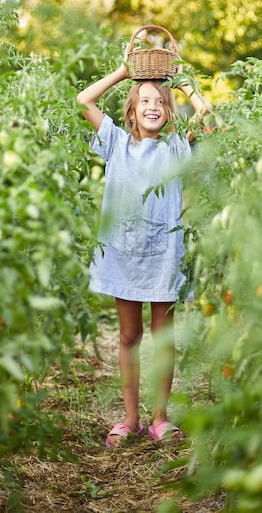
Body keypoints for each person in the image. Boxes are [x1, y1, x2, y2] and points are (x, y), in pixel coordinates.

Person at [77, 44, 211, 447]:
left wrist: (184, 83)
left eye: (160, 102)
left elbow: (205, 114)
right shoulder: (115, 143)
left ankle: (159, 418)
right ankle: (131, 419)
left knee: (162, 336)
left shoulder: (176, 147)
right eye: (144, 101)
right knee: (129, 336)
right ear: (131, 112)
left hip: (164, 257)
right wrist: (123, 72)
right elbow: (84, 100)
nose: (152, 106)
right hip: (124, 255)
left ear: (168, 112)